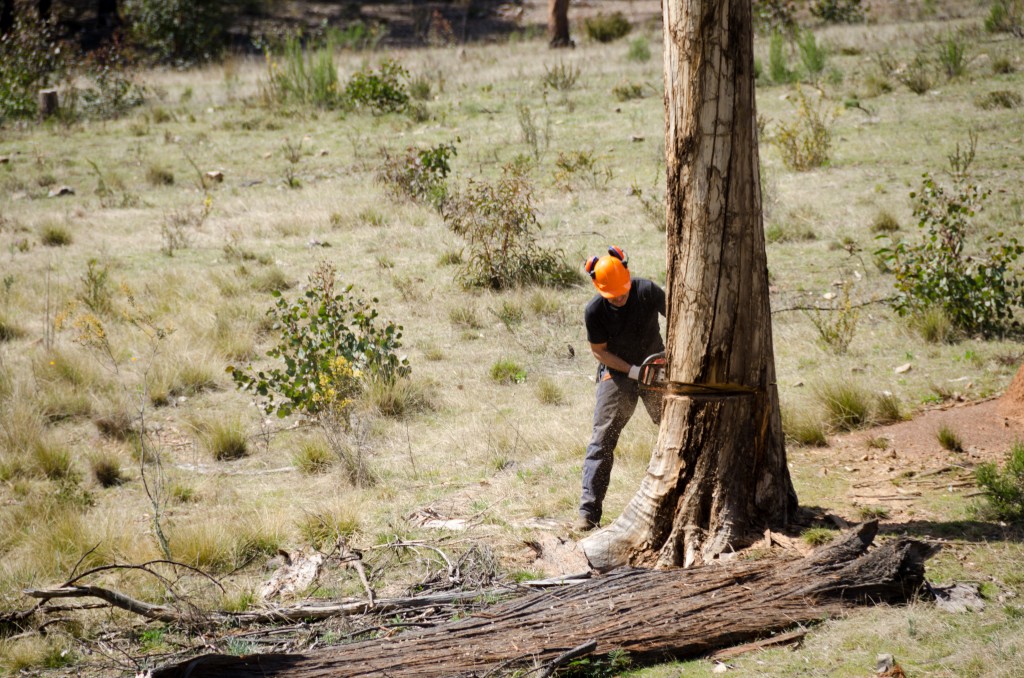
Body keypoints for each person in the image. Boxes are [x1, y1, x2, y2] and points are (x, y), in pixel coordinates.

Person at [576, 246, 666, 532]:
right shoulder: (595, 311)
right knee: (603, 439)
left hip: (656, 365)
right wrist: (632, 370)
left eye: (623, 291)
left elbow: (680, 316)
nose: (620, 297)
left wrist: (668, 359)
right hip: (617, 372)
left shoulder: (647, 291)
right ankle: (588, 513)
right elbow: (599, 352)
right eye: (613, 295)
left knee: (677, 426)